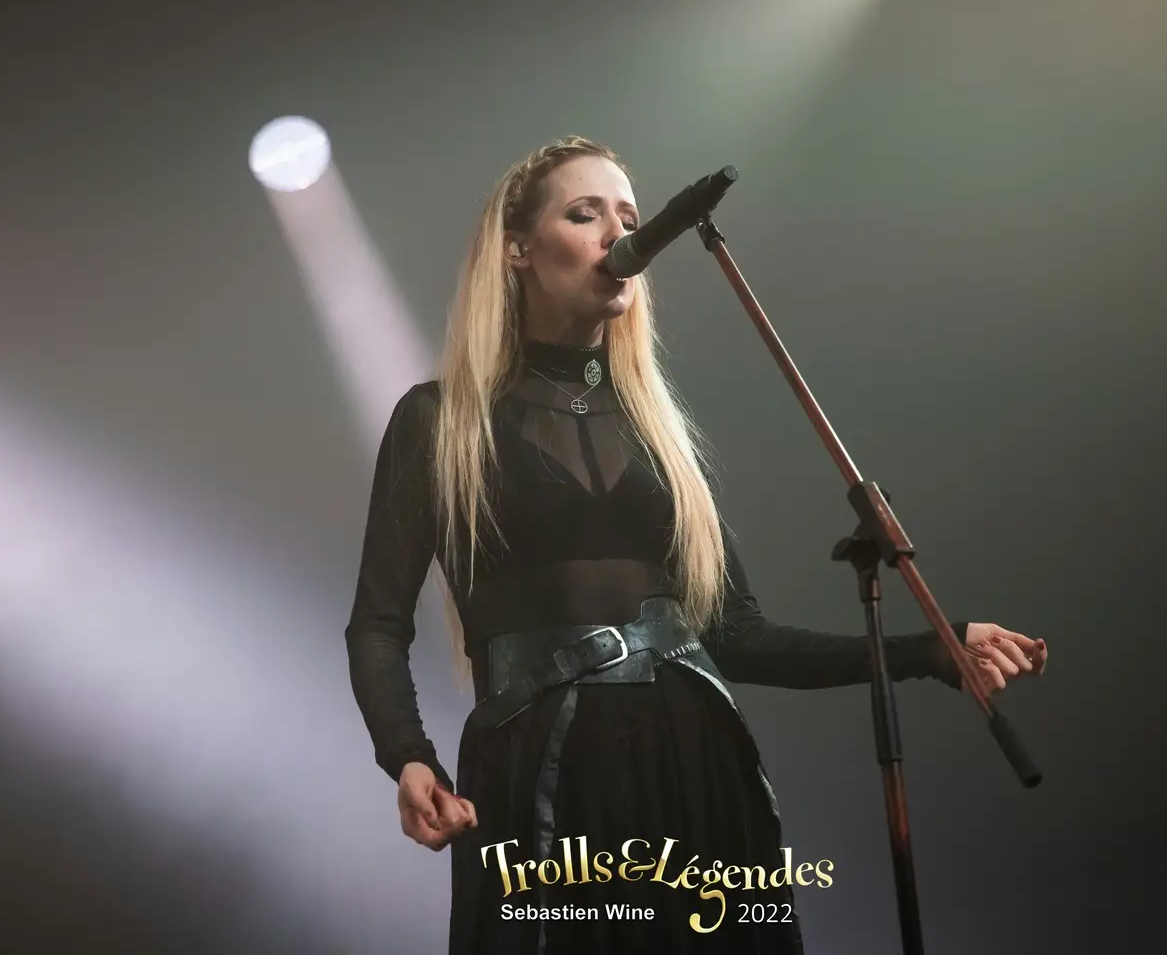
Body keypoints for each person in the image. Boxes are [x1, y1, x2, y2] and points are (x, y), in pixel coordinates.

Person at [344, 136, 1048, 954]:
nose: (620, 235)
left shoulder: (660, 434)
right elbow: (378, 624)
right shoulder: (441, 421)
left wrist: (933, 650)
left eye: (630, 217)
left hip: (693, 753)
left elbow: (737, 635)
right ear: (518, 249)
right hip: (541, 767)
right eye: (585, 215)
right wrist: (409, 756)